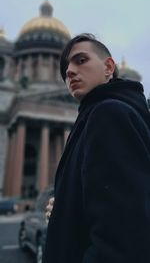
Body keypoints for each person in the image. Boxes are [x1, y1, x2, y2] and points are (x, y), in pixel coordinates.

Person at [43, 33, 150, 263]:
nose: (69, 71)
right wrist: (66, 208)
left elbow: (122, 241)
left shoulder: (109, 114)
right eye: (65, 70)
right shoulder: (99, 115)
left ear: (109, 67)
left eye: (80, 60)